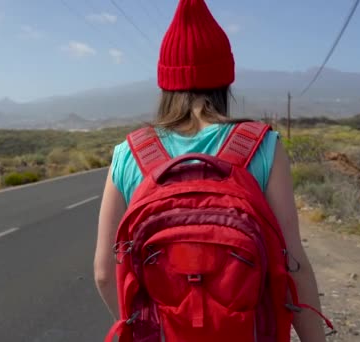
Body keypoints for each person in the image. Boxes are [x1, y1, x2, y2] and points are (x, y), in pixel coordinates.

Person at [94, 0, 327, 341]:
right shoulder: (263, 146)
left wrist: (143, 329)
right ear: (225, 79)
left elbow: (104, 272)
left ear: (165, 81)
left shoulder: (130, 153)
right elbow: (292, 262)